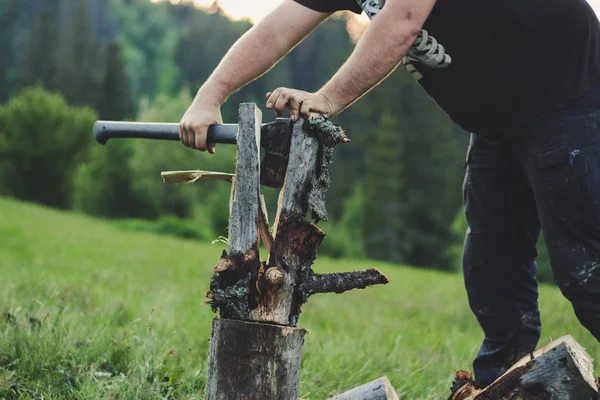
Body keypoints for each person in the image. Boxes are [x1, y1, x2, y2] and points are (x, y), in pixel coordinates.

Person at [179, 0, 600, 385]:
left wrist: (326, 98)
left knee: (586, 272)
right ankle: (508, 390)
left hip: (570, 93)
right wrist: (208, 96)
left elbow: (402, 23)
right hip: (499, 121)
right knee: (494, 277)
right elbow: (279, 26)